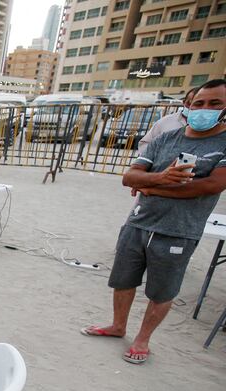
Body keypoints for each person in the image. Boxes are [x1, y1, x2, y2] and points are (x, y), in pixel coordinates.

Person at [83, 79, 226, 364]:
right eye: (199, 103)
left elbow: (210, 186)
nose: (204, 109)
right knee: (123, 280)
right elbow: (130, 177)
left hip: (178, 231)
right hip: (139, 222)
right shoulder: (166, 138)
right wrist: (160, 178)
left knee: (162, 290)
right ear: (188, 105)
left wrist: (152, 187)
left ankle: (142, 339)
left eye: (215, 104)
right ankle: (118, 326)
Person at [139, 87, 198, 152]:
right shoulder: (165, 122)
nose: (192, 107)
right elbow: (145, 143)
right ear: (184, 102)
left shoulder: (208, 126)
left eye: (198, 104)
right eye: (189, 103)